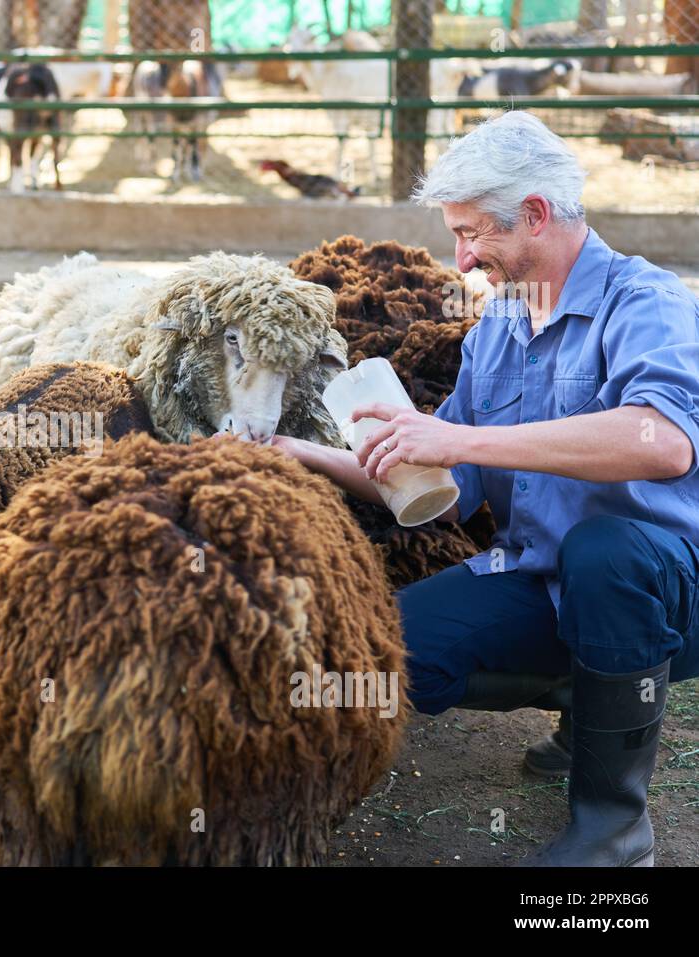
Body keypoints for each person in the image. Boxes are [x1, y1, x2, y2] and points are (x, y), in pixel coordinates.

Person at [271, 111, 699, 866]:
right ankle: (584, 695)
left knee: (606, 553)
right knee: (382, 653)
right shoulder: (497, 326)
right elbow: (454, 486)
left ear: (535, 214)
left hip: (664, 589)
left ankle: (614, 825)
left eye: (473, 234)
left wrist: (459, 436)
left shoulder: (647, 302)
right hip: (541, 574)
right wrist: (298, 451)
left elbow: (661, 443)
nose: (461, 257)